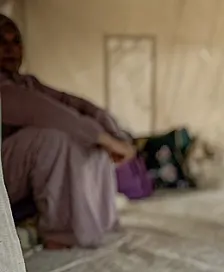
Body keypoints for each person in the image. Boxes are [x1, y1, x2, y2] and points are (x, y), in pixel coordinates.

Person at [0, 14, 135, 249]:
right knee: (53, 138)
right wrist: (103, 138)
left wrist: (114, 134)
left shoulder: (27, 83)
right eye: (1, 42)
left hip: (15, 177)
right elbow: (41, 110)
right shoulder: (8, 90)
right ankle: (59, 233)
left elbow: (73, 104)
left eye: (15, 42)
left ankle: (99, 222)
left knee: (86, 140)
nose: (9, 49)